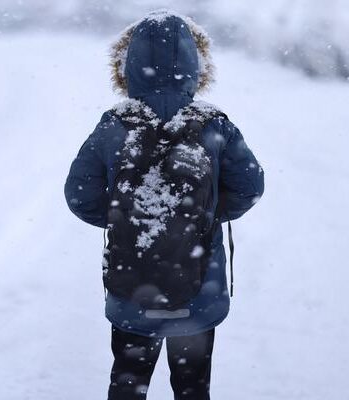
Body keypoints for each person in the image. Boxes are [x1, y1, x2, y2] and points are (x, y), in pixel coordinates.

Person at [64, 10, 264, 400]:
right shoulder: (214, 123)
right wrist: (204, 214)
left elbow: (79, 195)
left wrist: (124, 217)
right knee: (192, 388)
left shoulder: (114, 124)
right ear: (197, 64)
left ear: (126, 65)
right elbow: (250, 187)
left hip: (132, 285)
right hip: (199, 290)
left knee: (127, 382)